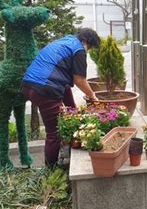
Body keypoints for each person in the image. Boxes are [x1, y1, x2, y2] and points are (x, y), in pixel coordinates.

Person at [22, 28, 100, 167]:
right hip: (45, 89)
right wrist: (93, 96)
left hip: (29, 85)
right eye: (91, 48)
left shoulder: (65, 41)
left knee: (68, 114)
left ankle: (69, 145)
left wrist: (74, 113)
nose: (88, 51)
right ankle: (51, 170)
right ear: (87, 42)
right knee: (54, 133)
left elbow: (64, 84)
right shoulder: (79, 49)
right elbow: (80, 80)